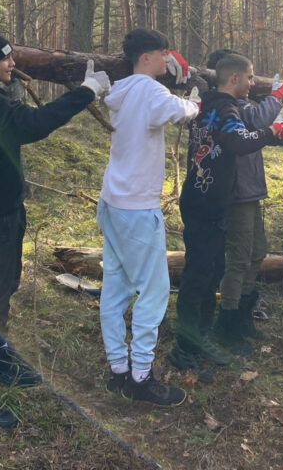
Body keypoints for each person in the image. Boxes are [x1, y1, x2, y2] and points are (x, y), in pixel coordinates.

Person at [0, 29, 110, 428]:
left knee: (4, 288)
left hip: (0, 209)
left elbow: (15, 118)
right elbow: (37, 123)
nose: (13, 63)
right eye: (6, 58)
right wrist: (86, 91)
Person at [97, 29, 197, 407]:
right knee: (153, 292)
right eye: (162, 53)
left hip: (112, 201)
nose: (166, 58)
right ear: (146, 57)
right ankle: (141, 376)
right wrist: (195, 101)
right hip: (137, 208)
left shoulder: (121, 90)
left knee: (116, 287)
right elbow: (179, 112)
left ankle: (118, 370)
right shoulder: (151, 91)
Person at [171, 53, 282, 373]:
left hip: (211, 202)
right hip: (204, 205)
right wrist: (272, 132)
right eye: (249, 77)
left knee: (207, 276)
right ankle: (184, 348)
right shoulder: (223, 108)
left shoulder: (209, 103)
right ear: (234, 79)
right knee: (197, 277)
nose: (252, 83)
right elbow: (238, 141)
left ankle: (201, 337)